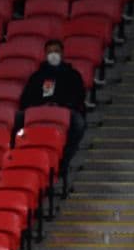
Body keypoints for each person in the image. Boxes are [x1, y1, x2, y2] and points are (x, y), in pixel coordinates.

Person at [17, 39, 87, 168]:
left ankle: (64, 161)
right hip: (40, 110)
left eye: (56, 51)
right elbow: (26, 99)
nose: (53, 54)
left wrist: (61, 106)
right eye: (49, 52)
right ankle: (18, 158)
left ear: (62, 53)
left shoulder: (72, 74)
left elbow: (79, 96)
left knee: (79, 123)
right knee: (19, 117)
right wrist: (40, 106)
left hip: (65, 110)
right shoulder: (37, 76)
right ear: (45, 54)